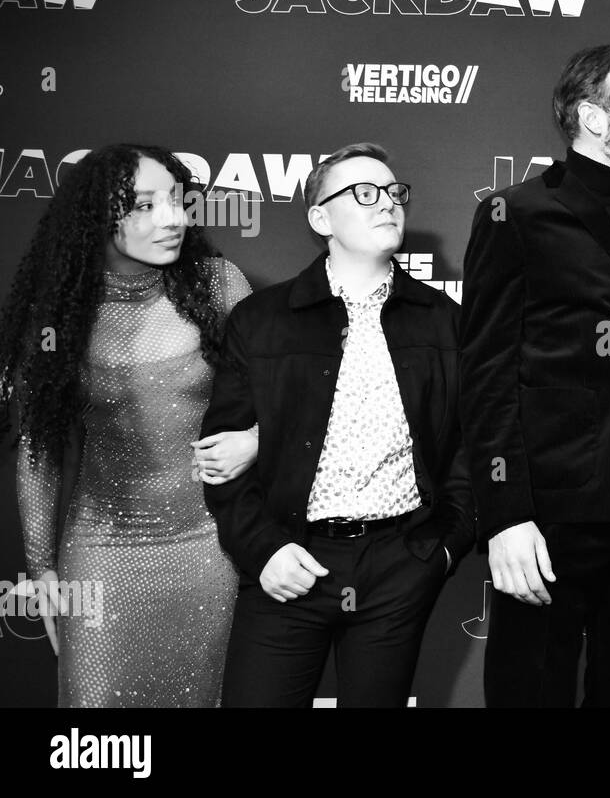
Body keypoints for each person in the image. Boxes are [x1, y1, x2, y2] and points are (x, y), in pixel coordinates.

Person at [459, 44, 610, 707]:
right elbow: (486, 372)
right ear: (593, 117)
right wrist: (506, 517)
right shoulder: (517, 214)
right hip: (550, 521)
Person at [202, 142, 475, 707]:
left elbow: (473, 445)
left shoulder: (444, 320)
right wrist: (263, 552)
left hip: (399, 564)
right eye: (365, 193)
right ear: (320, 218)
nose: (388, 204)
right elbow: (220, 460)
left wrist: (442, 549)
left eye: (395, 193)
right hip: (288, 559)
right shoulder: (262, 319)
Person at [1, 144, 257, 707]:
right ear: (96, 219)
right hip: (103, 552)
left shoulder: (218, 285)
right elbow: (39, 450)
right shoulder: (61, 314)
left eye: (175, 199)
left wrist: (256, 441)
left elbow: (282, 402)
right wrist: (42, 569)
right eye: (143, 205)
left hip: (212, 549)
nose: (173, 218)